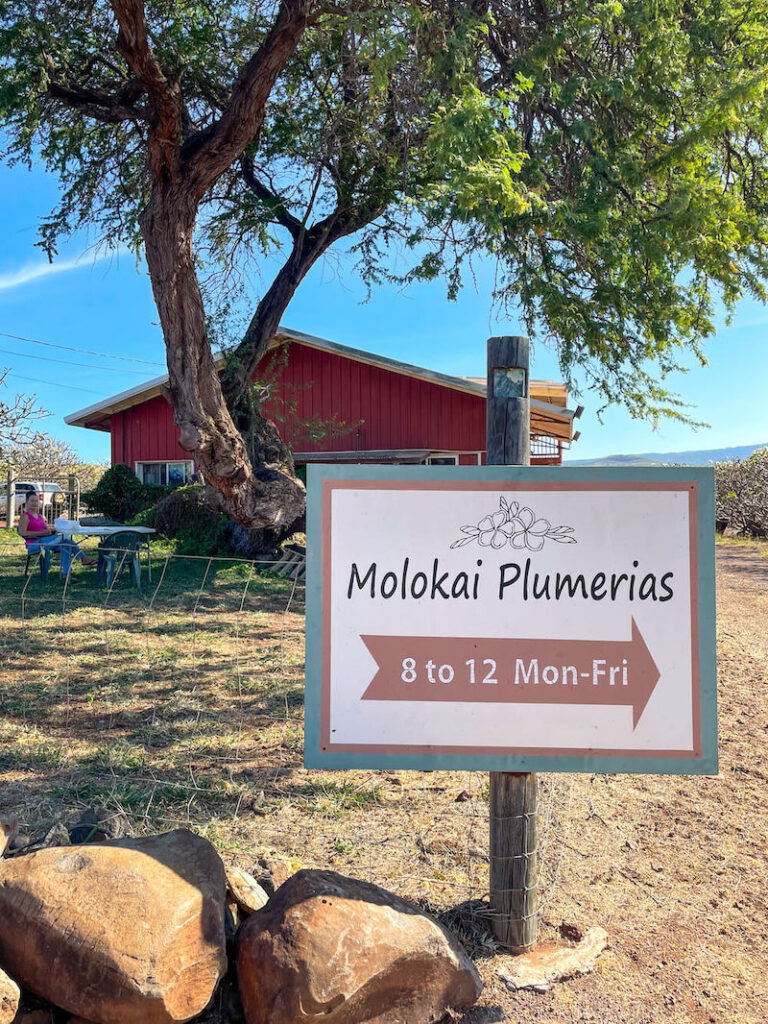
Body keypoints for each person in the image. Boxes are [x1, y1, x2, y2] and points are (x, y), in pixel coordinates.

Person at [17, 493, 95, 574]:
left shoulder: (40, 516)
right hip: (34, 544)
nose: (34, 503)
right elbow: (22, 532)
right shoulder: (25, 516)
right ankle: (83, 558)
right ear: (27, 502)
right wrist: (42, 533)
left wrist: (51, 530)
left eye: (36, 501)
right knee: (64, 537)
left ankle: (66, 574)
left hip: (46, 541)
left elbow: (46, 530)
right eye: (32, 501)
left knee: (66, 545)